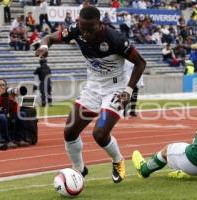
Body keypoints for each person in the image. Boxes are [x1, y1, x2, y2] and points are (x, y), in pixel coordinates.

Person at [35, 6, 146, 183]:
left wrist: (128, 90)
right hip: (93, 87)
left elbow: (140, 63)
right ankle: (78, 170)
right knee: (70, 131)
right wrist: (44, 46)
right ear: (78, 22)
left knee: (100, 134)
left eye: (90, 29)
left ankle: (117, 160)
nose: (85, 34)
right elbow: (49, 37)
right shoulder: (75, 29)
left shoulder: (115, 39)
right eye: (82, 28)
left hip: (116, 89)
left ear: (99, 24)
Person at [0, 79, 30, 150]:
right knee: (2, 116)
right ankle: (7, 141)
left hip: (3, 122)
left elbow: (14, 113)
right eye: (0, 85)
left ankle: (18, 139)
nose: (2, 87)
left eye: (4, 85)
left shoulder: (6, 96)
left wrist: (12, 101)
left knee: (21, 114)